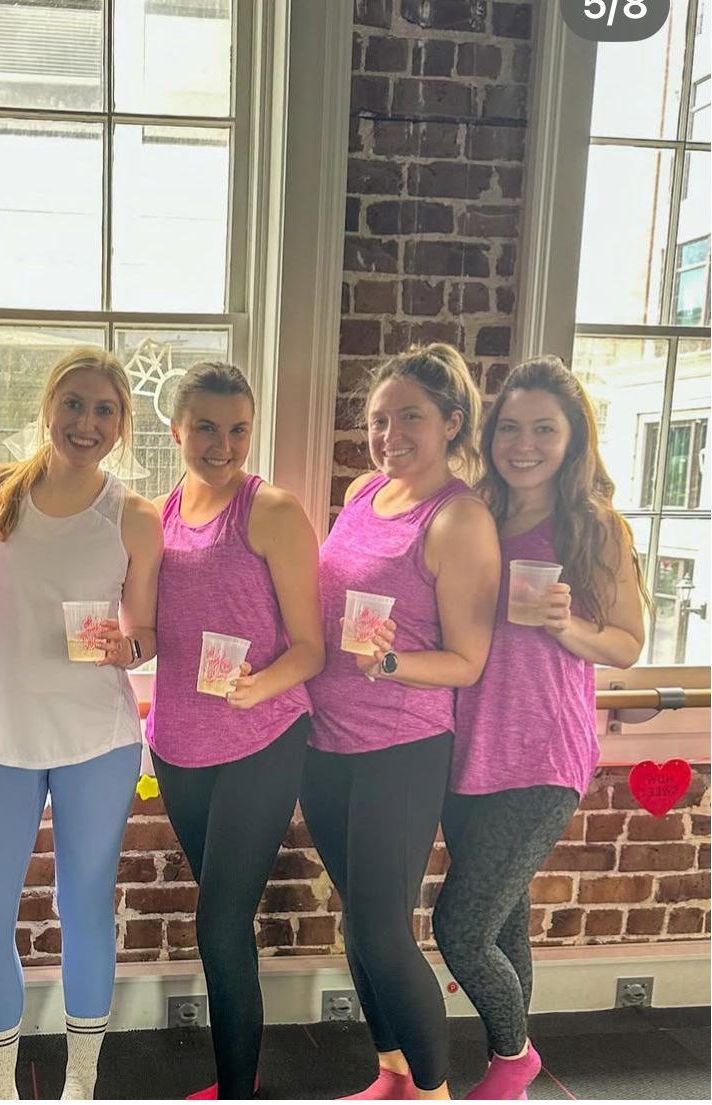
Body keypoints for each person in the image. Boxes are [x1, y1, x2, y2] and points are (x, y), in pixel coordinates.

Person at [0, 347, 162, 1100]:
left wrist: (124, 644)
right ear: (48, 406)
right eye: (73, 403)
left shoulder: (135, 514)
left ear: (120, 425)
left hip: (96, 740)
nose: (86, 421)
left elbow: (148, 634)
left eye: (103, 409)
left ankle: (80, 1084)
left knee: (82, 910)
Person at [432, 356, 647, 1100]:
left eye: (544, 429)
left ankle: (513, 1057)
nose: (524, 444)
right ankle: (510, 1077)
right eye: (511, 428)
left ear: (573, 437)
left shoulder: (593, 526)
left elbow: (625, 642)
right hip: (466, 751)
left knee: (457, 928)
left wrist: (571, 628)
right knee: (502, 925)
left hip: (543, 755)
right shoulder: (476, 515)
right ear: (491, 436)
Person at [301, 343, 500, 1101]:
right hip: (326, 743)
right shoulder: (360, 494)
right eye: (379, 419)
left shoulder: (457, 519)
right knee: (359, 923)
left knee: (385, 931)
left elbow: (466, 660)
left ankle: (434, 1091)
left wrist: (392, 665)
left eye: (409, 417)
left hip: (401, 747)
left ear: (451, 422)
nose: (388, 435)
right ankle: (391, 1072)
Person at [144, 362, 323, 1100]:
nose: (223, 443)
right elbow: (154, 631)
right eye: (207, 427)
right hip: (178, 743)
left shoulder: (271, 509)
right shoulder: (158, 514)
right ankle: (232, 1081)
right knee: (222, 921)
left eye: (239, 428)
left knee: (217, 923)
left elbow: (311, 646)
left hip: (261, 739)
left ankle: (238, 1090)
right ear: (177, 427)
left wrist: (258, 686)